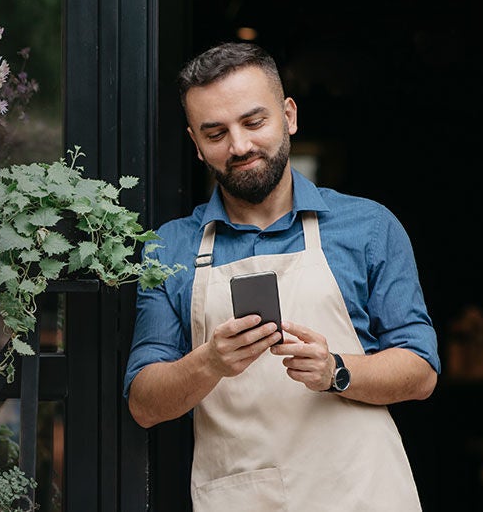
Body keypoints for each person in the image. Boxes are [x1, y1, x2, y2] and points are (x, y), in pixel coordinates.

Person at [124, 42, 439, 510]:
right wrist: (210, 361)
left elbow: (420, 370)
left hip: (362, 494)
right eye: (216, 134)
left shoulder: (368, 227)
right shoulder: (171, 248)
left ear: (289, 115)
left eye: (254, 122)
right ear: (195, 144)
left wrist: (336, 369)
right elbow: (144, 405)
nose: (240, 146)